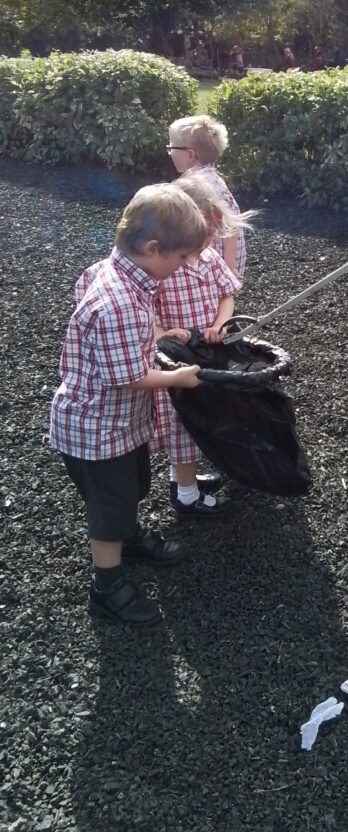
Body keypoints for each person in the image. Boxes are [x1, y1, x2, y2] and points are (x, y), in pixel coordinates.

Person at [49, 184, 208, 629]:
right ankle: (107, 585)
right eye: (179, 258)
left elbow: (121, 340)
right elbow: (128, 377)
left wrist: (158, 334)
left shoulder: (110, 272)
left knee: (132, 488)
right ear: (153, 248)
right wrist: (177, 378)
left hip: (119, 426)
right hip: (96, 432)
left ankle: (130, 537)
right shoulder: (120, 303)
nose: (183, 267)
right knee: (108, 511)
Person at [153, 174, 256, 517]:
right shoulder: (166, 266)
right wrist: (161, 332)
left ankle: (184, 479)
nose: (209, 240)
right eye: (204, 233)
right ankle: (186, 496)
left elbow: (228, 294)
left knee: (199, 419)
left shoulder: (209, 259)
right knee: (182, 423)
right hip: (174, 360)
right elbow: (146, 308)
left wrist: (219, 324)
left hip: (206, 350)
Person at [166, 115, 247, 280]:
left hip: (215, 267)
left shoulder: (199, 187)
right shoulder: (211, 178)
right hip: (217, 263)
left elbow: (228, 227)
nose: (169, 152)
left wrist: (228, 269)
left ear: (190, 155)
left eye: (171, 146)